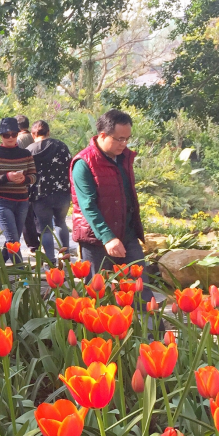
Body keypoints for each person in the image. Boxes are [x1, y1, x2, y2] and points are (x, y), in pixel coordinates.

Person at [70, 109, 152, 300]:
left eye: (127, 139)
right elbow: (87, 205)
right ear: (103, 135)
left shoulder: (124, 158)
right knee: (97, 295)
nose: (124, 144)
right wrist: (108, 237)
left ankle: (149, 330)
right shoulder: (84, 163)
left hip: (127, 236)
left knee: (141, 292)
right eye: (119, 139)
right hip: (96, 240)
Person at [0, 117, 37, 263]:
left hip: (22, 202)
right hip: (2, 203)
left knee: (13, 242)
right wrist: (7, 177)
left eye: (14, 134)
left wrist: (24, 179)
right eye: (7, 135)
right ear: (1, 136)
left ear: (18, 134)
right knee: (13, 240)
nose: (11, 137)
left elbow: (33, 176)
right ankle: (23, 279)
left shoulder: (26, 154)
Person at [26, 120, 72, 263]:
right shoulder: (61, 146)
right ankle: (66, 256)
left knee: (45, 228)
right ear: (48, 132)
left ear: (33, 135)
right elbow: (70, 167)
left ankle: (51, 260)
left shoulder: (29, 150)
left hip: (40, 195)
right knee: (61, 223)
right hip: (62, 192)